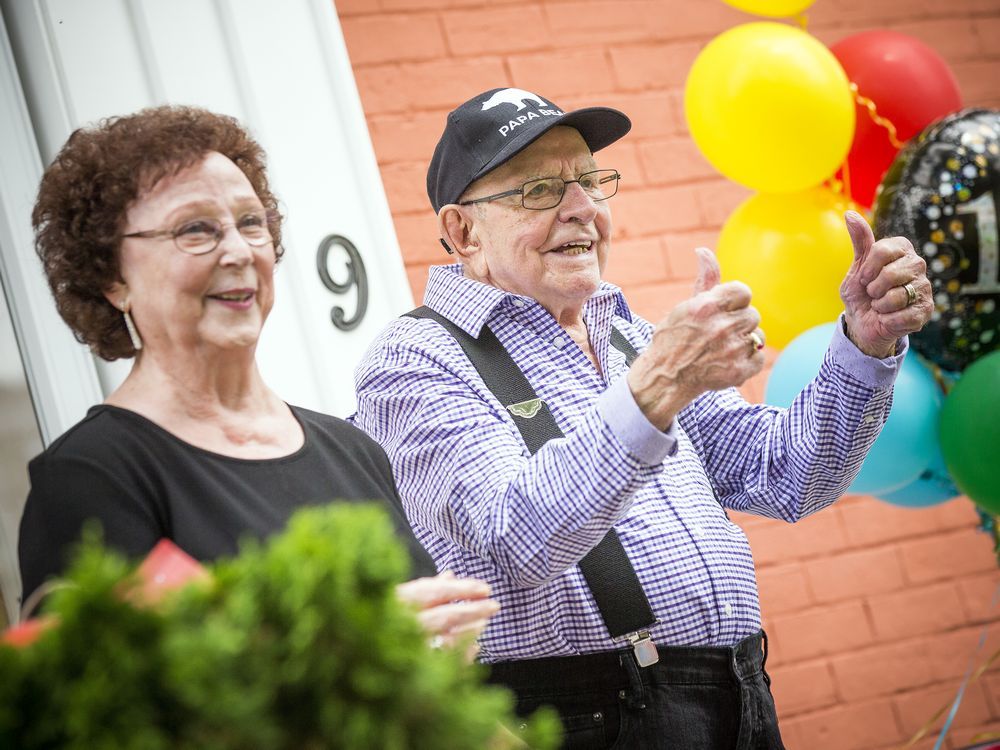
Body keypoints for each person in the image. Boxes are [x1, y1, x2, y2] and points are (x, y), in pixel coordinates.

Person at [352, 87, 933, 749]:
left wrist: (867, 340)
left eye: (590, 181)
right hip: (586, 713)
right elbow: (512, 535)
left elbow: (789, 475)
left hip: (740, 694)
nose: (580, 209)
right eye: (540, 189)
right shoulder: (415, 358)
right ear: (462, 231)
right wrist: (657, 388)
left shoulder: (633, 337)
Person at [19, 105, 498, 648]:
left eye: (251, 223)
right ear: (110, 276)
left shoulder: (350, 447)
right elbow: (108, 709)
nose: (239, 250)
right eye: (195, 230)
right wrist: (356, 647)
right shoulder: (90, 476)